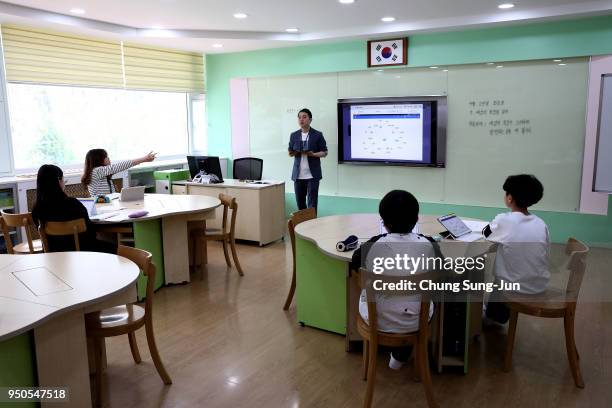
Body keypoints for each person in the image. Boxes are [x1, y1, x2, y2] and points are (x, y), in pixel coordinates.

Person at [350, 190, 439, 370]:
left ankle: (393, 353)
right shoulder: (429, 245)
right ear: (416, 220)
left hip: (377, 319)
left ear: (384, 222)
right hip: (417, 321)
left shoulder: (372, 246)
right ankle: (403, 353)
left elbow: (354, 265)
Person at [482, 174, 550, 324]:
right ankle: (497, 313)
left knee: (500, 279)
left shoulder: (505, 219)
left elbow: (486, 234)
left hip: (514, 289)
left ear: (510, 198)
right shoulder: (541, 223)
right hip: (539, 285)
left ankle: (493, 318)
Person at [32, 164, 117, 253]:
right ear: (58, 181)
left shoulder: (37, 209)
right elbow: (90, 233)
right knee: (118, 247)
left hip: (54, 255)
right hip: (84, 252)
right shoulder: (73, 204)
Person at [288, 108, 327, 212]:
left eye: (304, 117)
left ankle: (312, 227)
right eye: (299, 117)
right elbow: (290, 152)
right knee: (300, 204)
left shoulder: (317, 135)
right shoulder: (294, 135)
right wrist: (295, 152)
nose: (301, 119)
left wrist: (313, 154)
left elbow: (324, 152)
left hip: (312, 176)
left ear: (310, 120)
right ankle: (302, 227)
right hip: (298, 175)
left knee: (312, 204)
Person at [81, 149, 156, 197]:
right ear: (98, 159)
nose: (109, 158)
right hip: (101, 206)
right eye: (106, 157)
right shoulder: (96, 171)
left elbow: (112, 196)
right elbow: (119, 166)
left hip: (108, 205)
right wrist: (143, 159)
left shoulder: (103, 174)